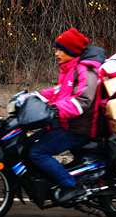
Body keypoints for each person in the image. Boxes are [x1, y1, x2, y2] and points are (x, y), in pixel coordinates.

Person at [29, 28, 104, 206]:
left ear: (71, 51)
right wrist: (35, 96)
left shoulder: (86, 70)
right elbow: (60, 92)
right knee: (31, 143)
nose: (56, 53)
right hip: (69, 124)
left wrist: (55, 110)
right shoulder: (71, 69)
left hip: (80, 128)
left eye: (60, 49)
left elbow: (83, 100)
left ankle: (71, 186)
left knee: (37, 152)